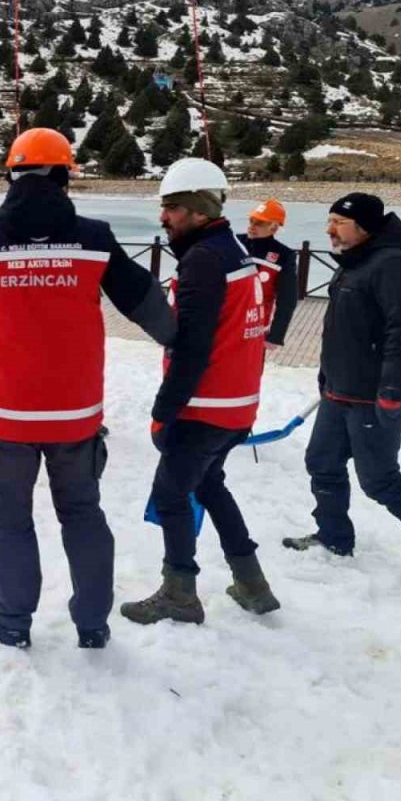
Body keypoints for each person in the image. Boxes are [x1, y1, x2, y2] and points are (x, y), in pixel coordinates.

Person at [0, 128, 175, 650]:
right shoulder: (94, 238)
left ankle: (12, 619)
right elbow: (145, 302)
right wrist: (184, 348)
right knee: (83, 515)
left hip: (5, 417)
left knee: (10, 521)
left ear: (10, 175)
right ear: (65, 175)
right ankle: (93, 623)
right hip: (76, 416)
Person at [120, 158, 280, 626]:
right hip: (235, 407)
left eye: (171, 207)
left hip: (204, 409)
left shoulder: (204, 260)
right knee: (210, 485)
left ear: (197, 208)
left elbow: (192, 347)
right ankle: (252, 583)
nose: (163, 217)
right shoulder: (232, 249)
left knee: (172, 496)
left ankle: (180, 593)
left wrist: (164, 411)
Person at [284, 193, 401, 589]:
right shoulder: (354, 263)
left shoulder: (394, 266)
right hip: (338, 391)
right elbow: (342, 330)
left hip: (375, 397)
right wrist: (326, 377)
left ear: (364, 227)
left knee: (380, 480)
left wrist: (395, 390)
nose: (329, 229)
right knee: (322, 463)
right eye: (328, 221)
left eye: (338, 222)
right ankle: (333, 536)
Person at [239, 198, 298, 350]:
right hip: (225, 325)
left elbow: (287, 299)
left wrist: (276, 335)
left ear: (274, 227)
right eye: (251, 221)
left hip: (256, 331)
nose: (251, 226)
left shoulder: (284, 255)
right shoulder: (234, 243)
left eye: (259, 223)